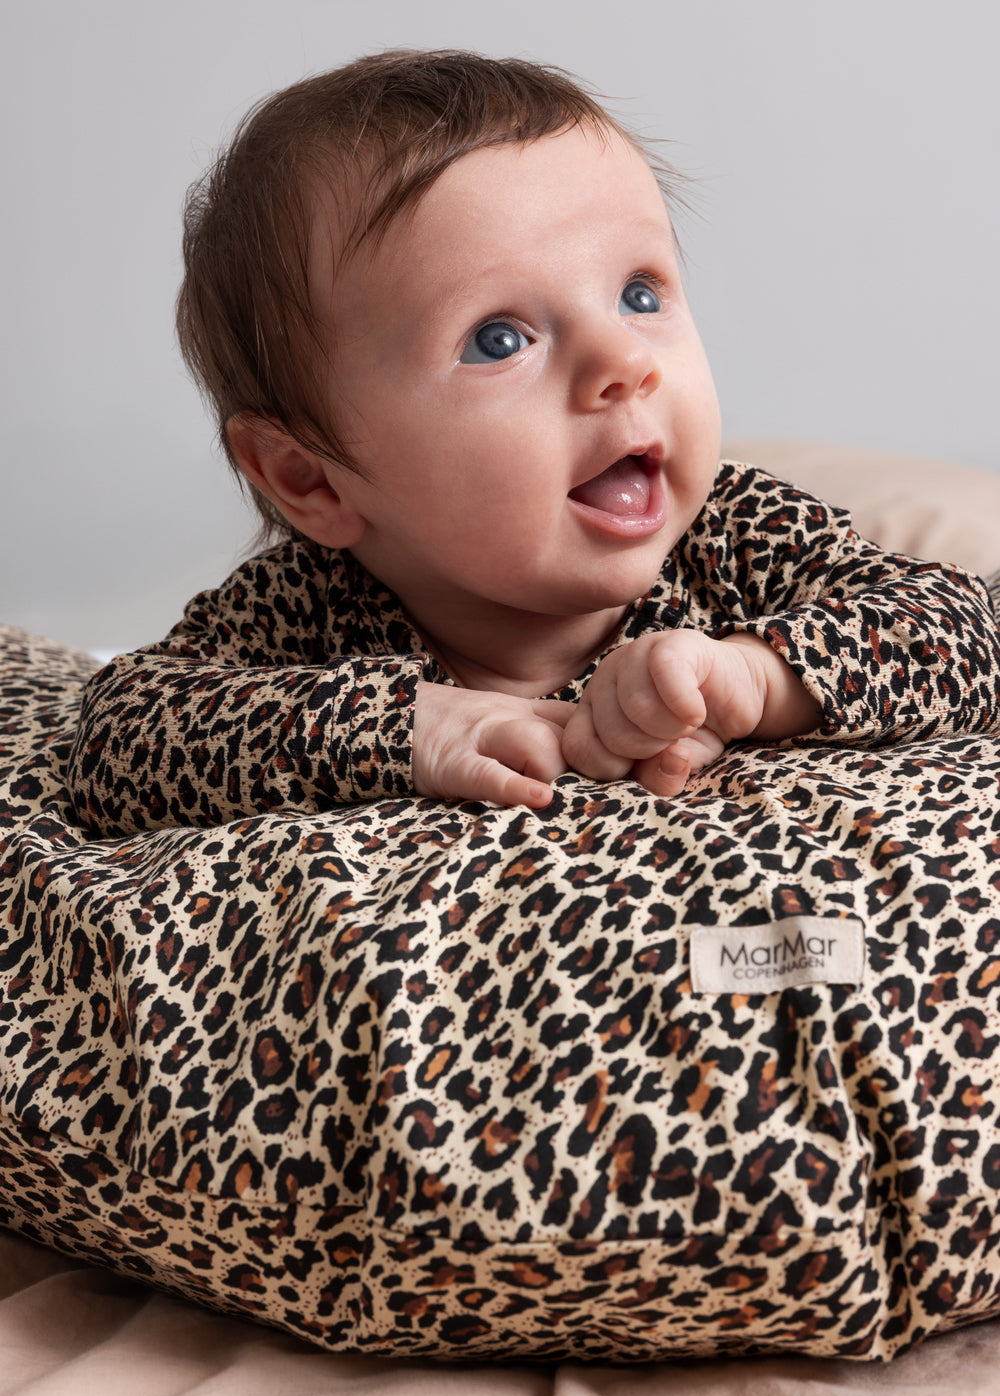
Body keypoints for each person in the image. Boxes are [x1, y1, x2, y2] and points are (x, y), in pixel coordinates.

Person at [68, 49, 1000, 837]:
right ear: (310, 479)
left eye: (640, 294)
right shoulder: (309, 612)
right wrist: (414, 730)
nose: (624, 363)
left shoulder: (736, 536)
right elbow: (120, 736)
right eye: (498, 340)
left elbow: (963, 631)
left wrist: (754, 679)